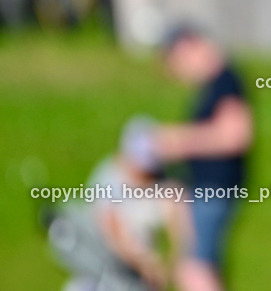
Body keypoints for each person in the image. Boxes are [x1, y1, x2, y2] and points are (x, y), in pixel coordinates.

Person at [155, 25, 253, 291]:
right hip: (208, 189)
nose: (180, 72)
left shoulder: (225, 80)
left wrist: (178, 142)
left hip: (214, 189)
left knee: (194, 268)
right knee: (201, 265)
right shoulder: (218, 83)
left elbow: (236, 134)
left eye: (177, 62)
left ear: (189, 47)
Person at [47, 117, 191, 291]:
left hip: (140, 264)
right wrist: (144, 262)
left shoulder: (164, 182)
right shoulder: (108, 179)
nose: (144, 172)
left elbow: (178, 212)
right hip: (107, 261)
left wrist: (176, 258)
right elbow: (112, 228)